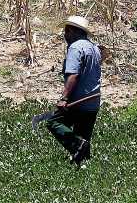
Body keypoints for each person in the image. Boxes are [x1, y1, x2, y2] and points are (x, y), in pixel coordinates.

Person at [42, 15, 102, 166]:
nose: (65, 35)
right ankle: (84, 168)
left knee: (53, 123)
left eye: (68, 31)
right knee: (84, 141)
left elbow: (74, 75)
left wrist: (64, 98)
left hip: (78, 100)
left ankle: (76, 144)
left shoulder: (75, 48)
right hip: (93, 101)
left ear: (77, 31)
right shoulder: (94, 48)